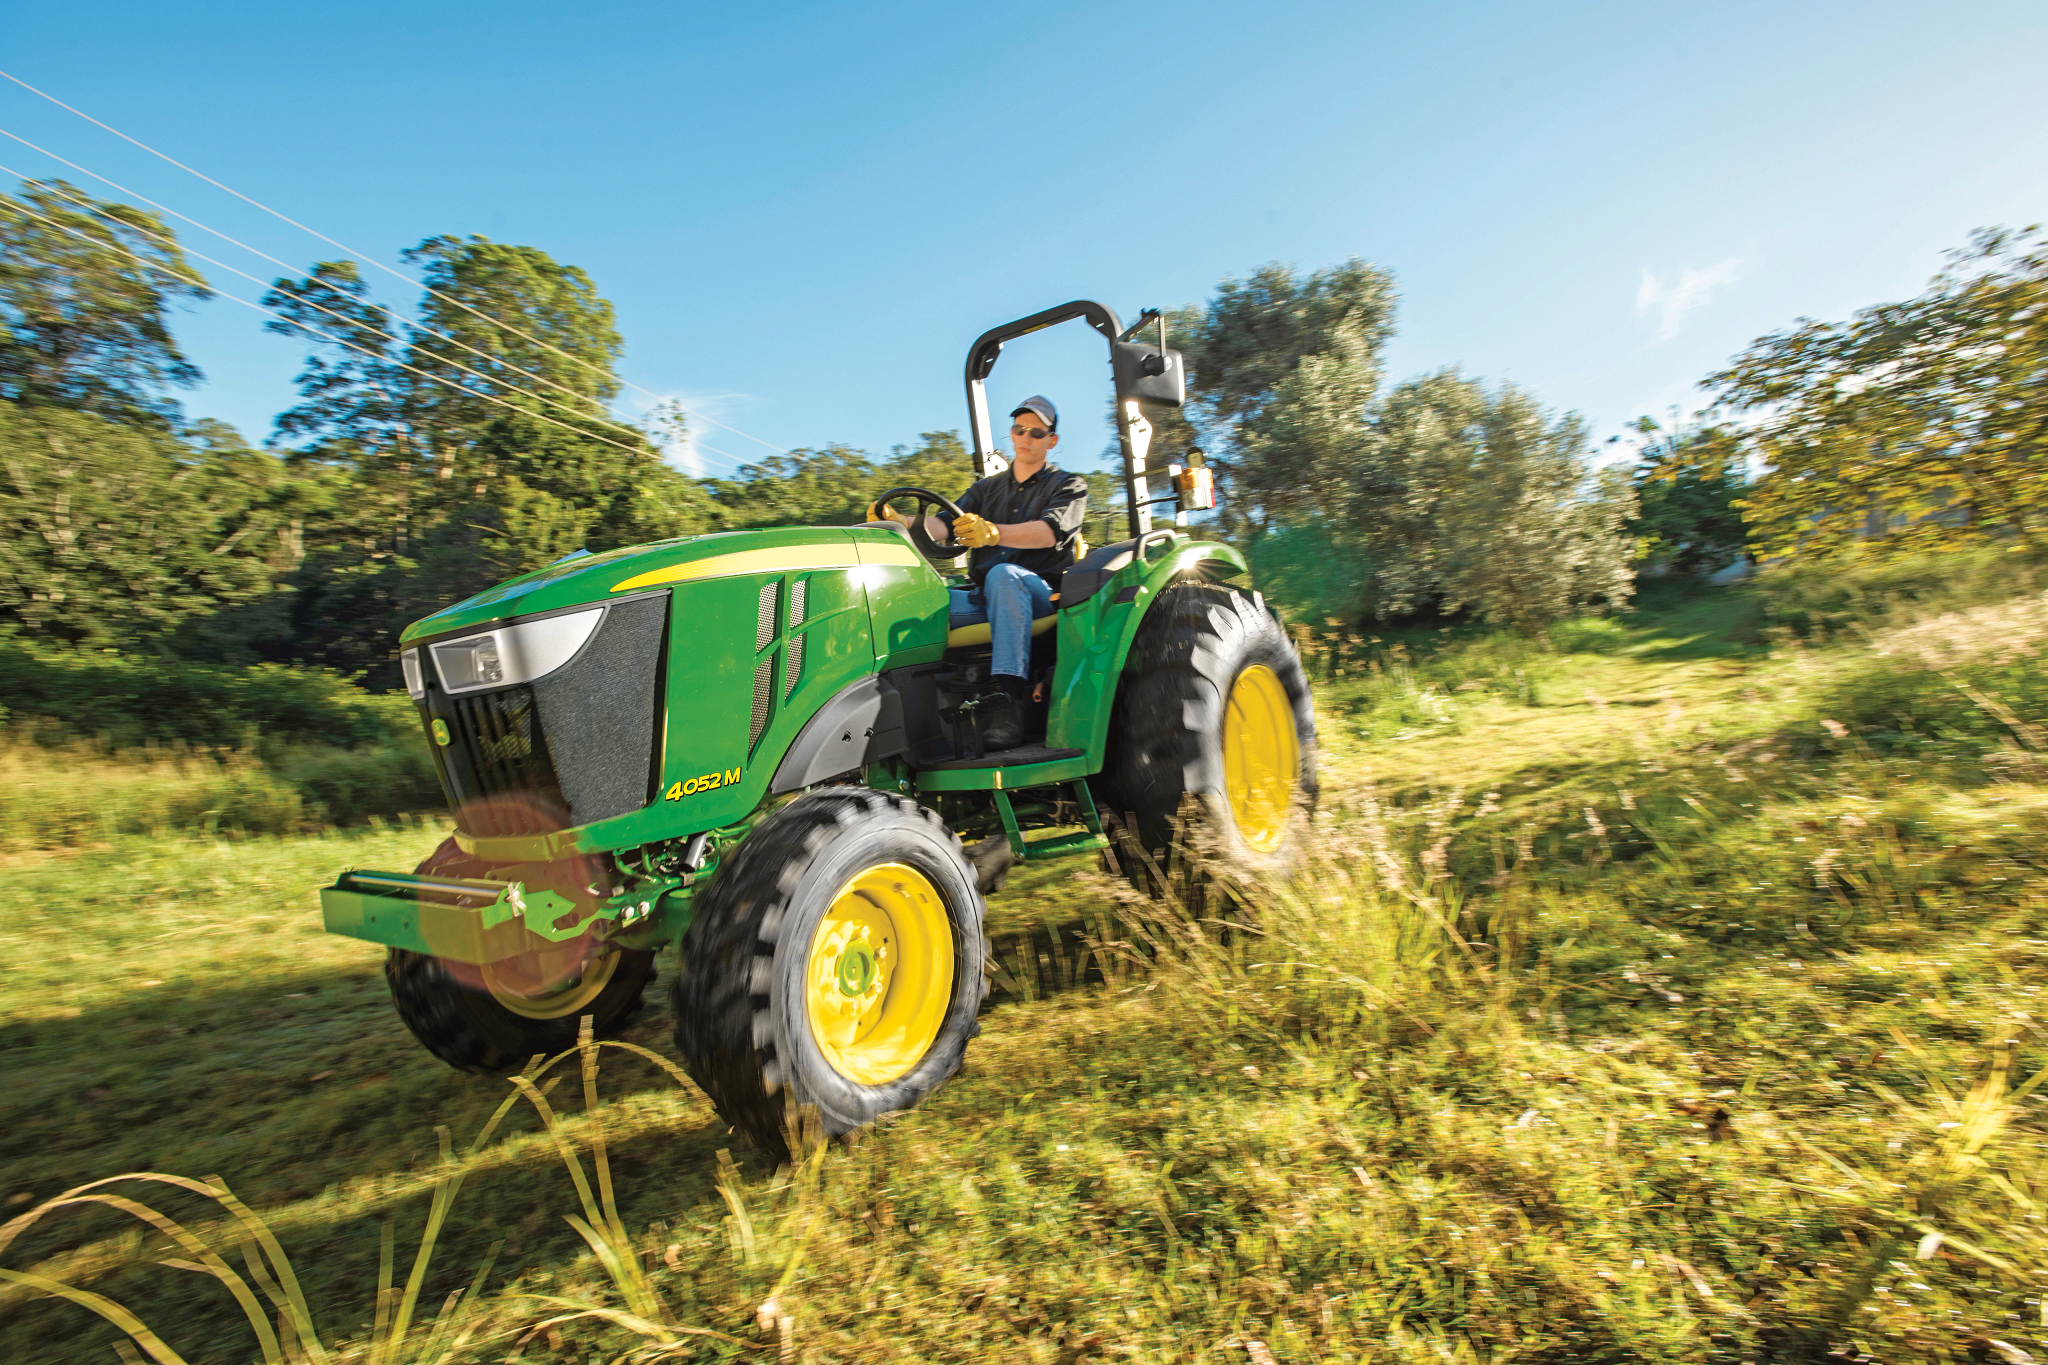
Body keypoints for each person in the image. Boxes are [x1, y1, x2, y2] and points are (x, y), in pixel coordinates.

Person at [867, 395, 1087, 750]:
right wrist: (899, 521)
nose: (1025, 437)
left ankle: (1008, 706)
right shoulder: (987, 488)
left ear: (1052, 440)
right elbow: (942, 525)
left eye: (1036, 431)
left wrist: (995, 532)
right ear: (1012, 434)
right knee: (907, 600)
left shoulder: (1068, 486)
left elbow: (1049, 532)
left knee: (1004, 574)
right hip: (983, 597)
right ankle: (891, 715)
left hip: (1041, 595)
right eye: (1019, 429)